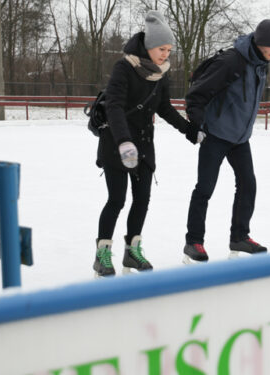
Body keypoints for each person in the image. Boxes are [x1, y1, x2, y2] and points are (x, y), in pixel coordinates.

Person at [94, 11, 203, 277]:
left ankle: (132, 252)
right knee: (117, 200)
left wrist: (190, 131)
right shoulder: (124, 67)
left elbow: (164, 108)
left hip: (144, 146)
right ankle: (102, 254)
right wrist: (123, 143)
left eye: (169, 50)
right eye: (161, 49)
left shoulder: (162, 74)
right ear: (149, 46)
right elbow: (115, 108)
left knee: (142, 200)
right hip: (117, 144)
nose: (166, 54)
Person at [182, 19, 270, 263]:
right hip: (215, 134)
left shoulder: (261, 63)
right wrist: (197, 126)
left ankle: (239, 236)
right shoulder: (232, 61)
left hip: (239, 138)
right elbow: (196, 94)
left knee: (248, 184)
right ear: (261, 44)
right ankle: (193, 242)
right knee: (205, 188)